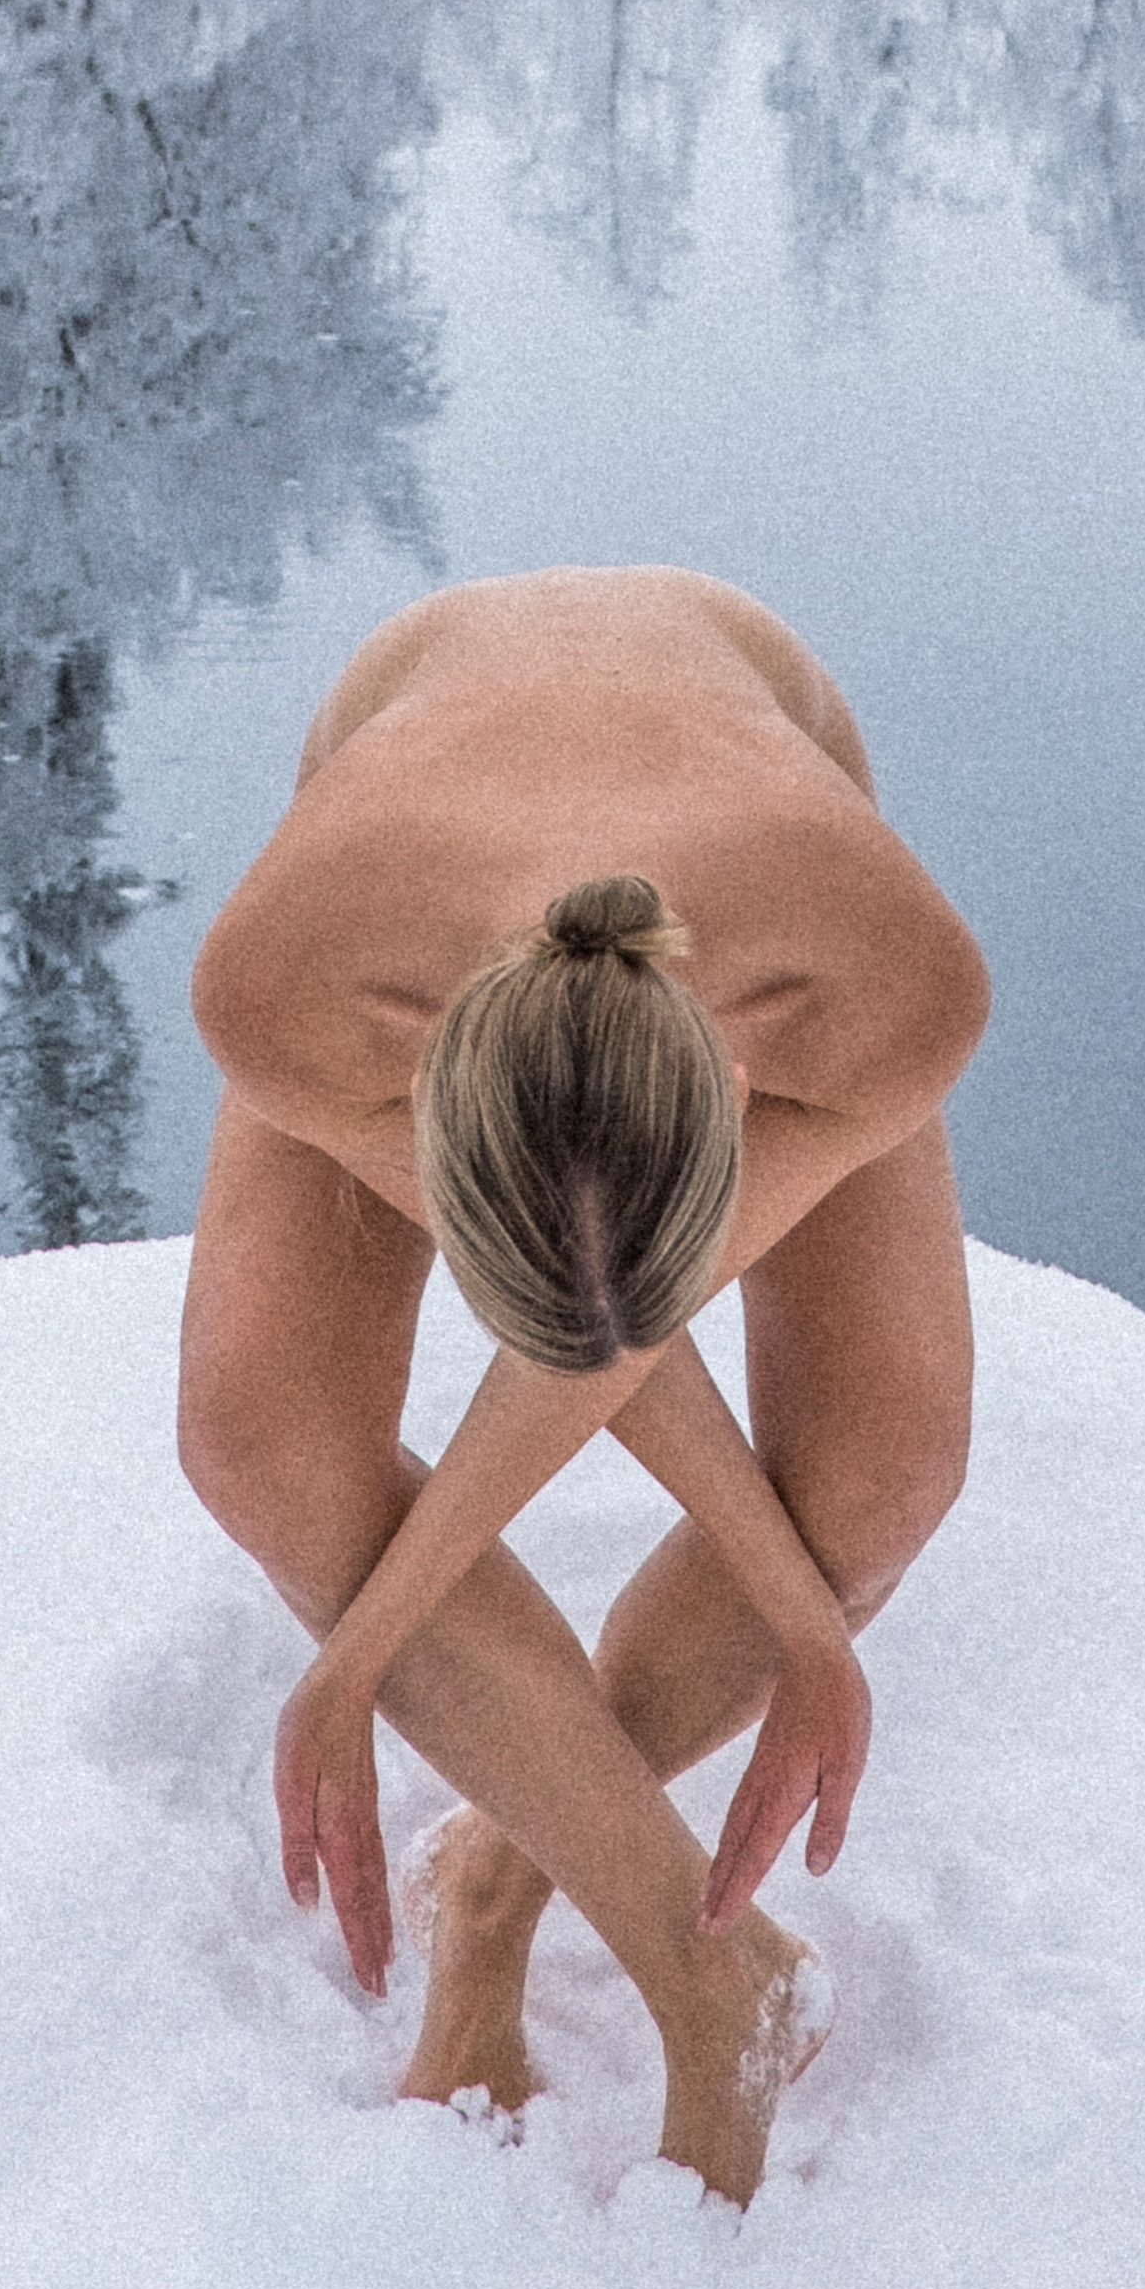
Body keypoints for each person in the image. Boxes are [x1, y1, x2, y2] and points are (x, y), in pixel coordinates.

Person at [178, 567, 988, 2205]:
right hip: (397, 909)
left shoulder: (882, 980)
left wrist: (811, 1608)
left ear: (743, 1090)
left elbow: (612, 1335)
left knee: (884, 1470)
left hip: (771, 895)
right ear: (416, 1108)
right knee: (257, 1442)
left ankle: (500, 1870)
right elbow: (584, 1339)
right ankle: (708, 1981)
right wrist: (359, 1645)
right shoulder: (292, 982)